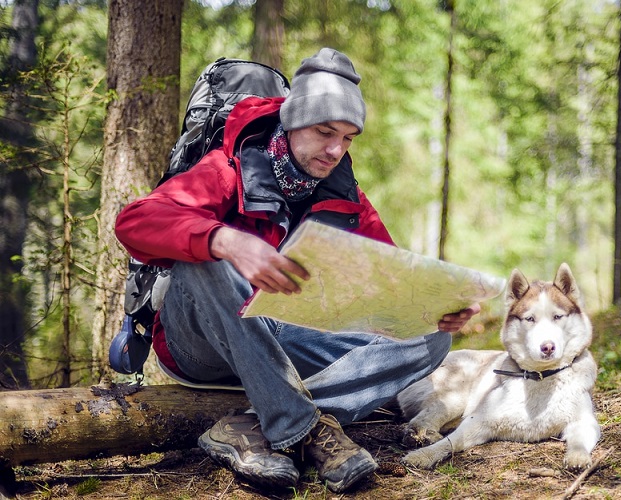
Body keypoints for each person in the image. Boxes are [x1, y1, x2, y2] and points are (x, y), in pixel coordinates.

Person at [115, 47, 479, 493]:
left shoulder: (346, 197)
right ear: (292, 122)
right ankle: (298, 425)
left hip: (284, 337)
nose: (335, 150)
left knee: (432, 339)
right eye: (325, 132)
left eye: (347, 138)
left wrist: (431, 309)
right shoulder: (227, 166)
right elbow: (134, 220)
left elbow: (389, 281)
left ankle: (249, 424)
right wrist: (224, 240)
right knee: (205, 262)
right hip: (202, 342)